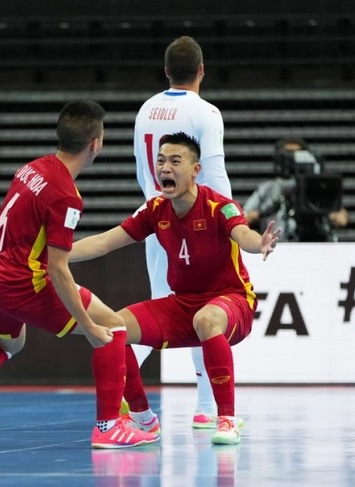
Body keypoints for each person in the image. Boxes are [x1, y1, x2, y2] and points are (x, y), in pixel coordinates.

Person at [0, 100, 159, 449]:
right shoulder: (67, 196)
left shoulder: (32, 168)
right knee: (113, 325)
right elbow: (59, 270)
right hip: (24, 284)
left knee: (8, 343)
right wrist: (89, 327)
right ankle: (108, 427)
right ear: (96, 144)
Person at [70, 132, 281, 444]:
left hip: (232, 302)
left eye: (175, 161)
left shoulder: (219, 206)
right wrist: (57, 254)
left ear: (195, 170)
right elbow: (103, 242)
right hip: (181, 305)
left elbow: (243, 234)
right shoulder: (154, 209)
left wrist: (258, 243)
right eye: (160, 160)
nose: (165, 168)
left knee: (206, 320)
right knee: (111, 328)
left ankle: (227, 420)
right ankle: (144, 419)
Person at [132, 35, 231, 429]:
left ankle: (206, 405)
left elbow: (144, 170)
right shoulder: (206, 112)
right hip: (198, 222)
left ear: (167, 71)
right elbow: (215, 173)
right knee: (202, 306)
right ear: (202, 71)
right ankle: (123, 379)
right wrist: (230, 220)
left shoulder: (145, 110)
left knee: (166, 304)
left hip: (156, 216)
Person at [244, 137, 348, 242]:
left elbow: (342, 218)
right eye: (288, 153)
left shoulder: (316, 185)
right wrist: (261, 213)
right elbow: (245, 217)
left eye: (297, 153)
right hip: (277, 246)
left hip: (315, 244)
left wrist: (332, 214)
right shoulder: (268, 188)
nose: (292, 158)